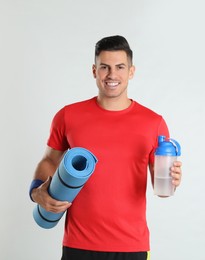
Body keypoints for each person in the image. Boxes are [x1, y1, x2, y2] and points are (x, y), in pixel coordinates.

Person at [30, 35, 183, 260]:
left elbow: (161, 187)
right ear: (94, 71)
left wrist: (173, 179)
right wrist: (36, 191)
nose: (112, 75)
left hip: (131, 246)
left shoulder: (154, 123)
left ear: (131, 71)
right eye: (104, 67)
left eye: (120, 67)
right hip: (78, 244)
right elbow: (50, 161)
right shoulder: (68, 116)